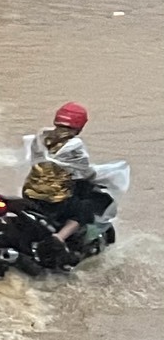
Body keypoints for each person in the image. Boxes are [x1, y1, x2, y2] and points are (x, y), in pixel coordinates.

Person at [21, 103, 110, 247]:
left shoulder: (42, 136)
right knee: (84, 210)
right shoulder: (74, 144)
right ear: (80, 125)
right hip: (54, 200)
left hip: (29, 193)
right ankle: (60, 237)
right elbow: (85, 170)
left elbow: (38, 161)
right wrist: (95, 176)